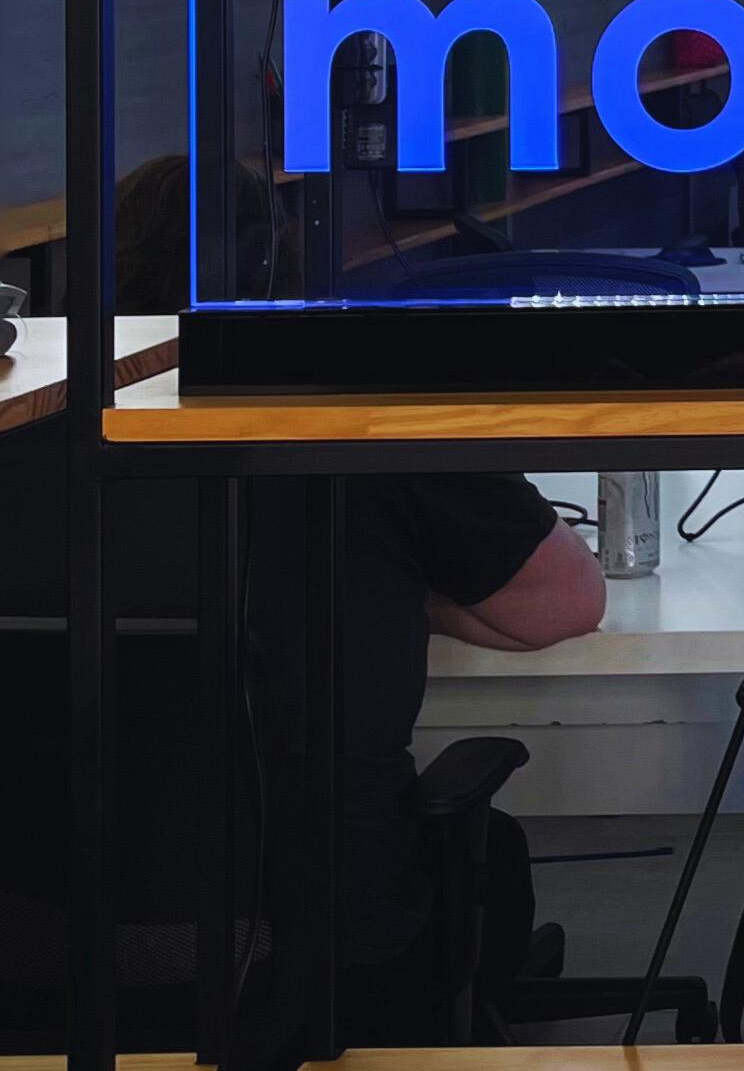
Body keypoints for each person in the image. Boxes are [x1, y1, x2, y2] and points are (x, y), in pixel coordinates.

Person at [112, 157, 608, 1045]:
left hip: (46, 935)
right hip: (325, 942)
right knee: (488, 853)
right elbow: (562, 604)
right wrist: (390, 579)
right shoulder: (360, 416)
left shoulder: (37, 428)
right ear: (278, 266)